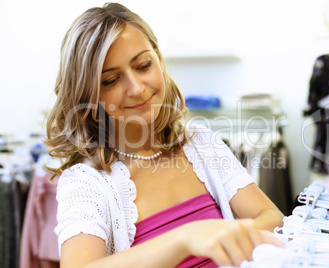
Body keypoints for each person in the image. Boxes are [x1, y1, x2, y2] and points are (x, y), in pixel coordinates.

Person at [44, 2, 284, 267]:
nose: (136, 88)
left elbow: (271, 216)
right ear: (87, 95)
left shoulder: (200, 142)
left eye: (143, 65)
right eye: (111, 80)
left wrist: (231, 235)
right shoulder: (86, 183)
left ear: (158, 59)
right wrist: (185, 238)